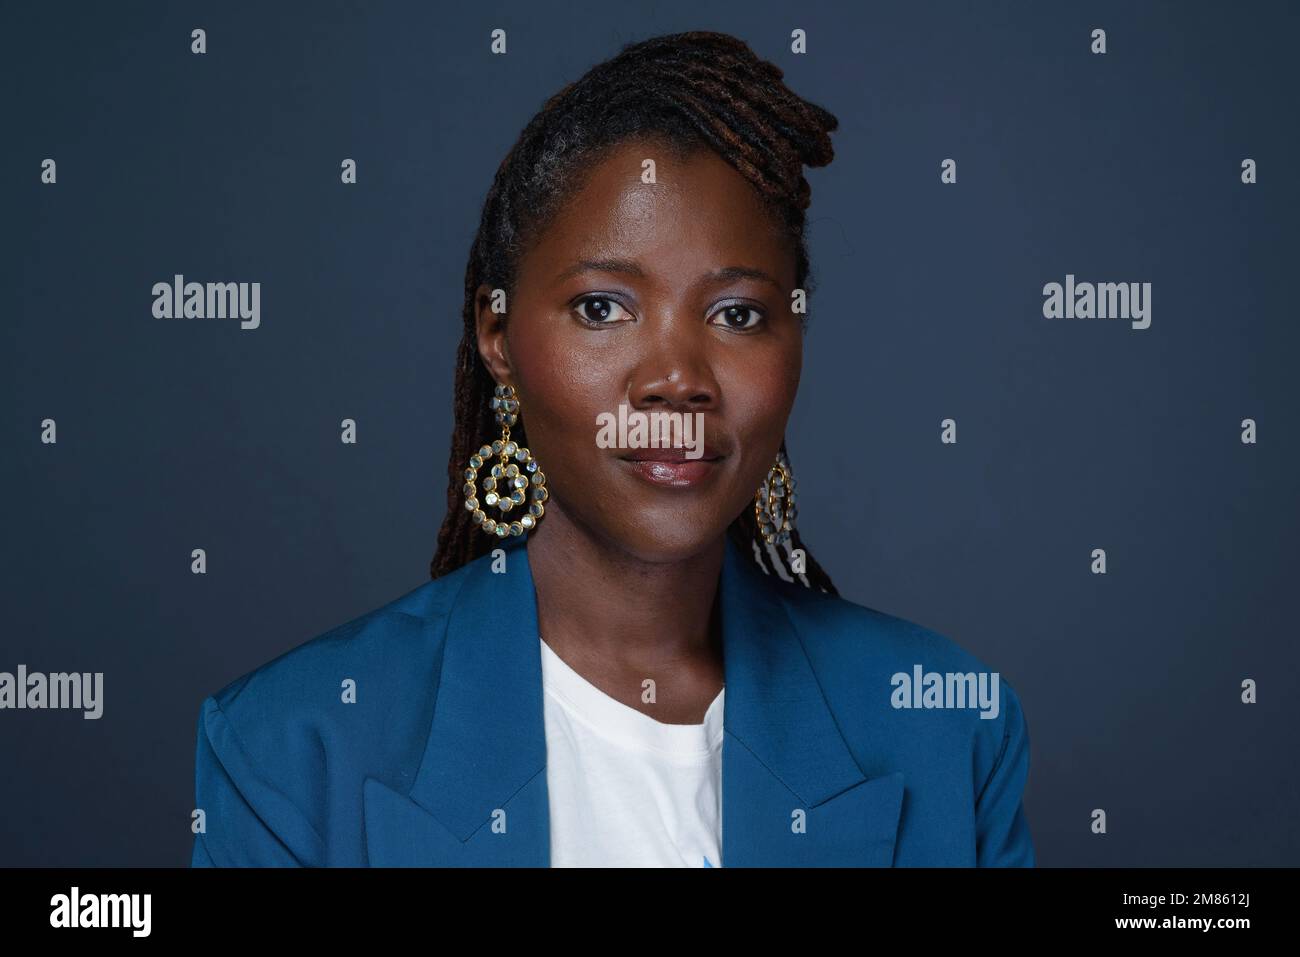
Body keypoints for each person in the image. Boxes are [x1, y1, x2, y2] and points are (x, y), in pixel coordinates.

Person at [191, 30, 1033, 867]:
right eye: (603, 307)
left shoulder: (948, 728)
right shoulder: (293, 751)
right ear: (499, 338)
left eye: (737, 313)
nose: (676, 378)